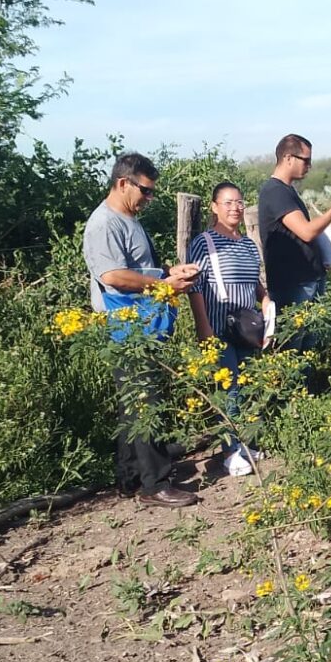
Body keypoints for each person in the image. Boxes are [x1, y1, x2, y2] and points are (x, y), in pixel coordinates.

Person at [83, 152, 202, 508]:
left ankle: (130, 477)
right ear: (123, 183)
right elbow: (113, 276)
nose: (149, 199)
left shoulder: (128, 218)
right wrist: (163, 287)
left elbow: (142, 267)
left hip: (141, 324)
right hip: (127, 328)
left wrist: (171, 272)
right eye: (146, 191)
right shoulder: (104, 224)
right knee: (145, 403)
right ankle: (156, 484)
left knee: (131, 405)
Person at [187, 182, 269, 476]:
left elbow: (256, 283)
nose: (235, 208)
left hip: (247, 328)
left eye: (238, 202)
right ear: (214, 207)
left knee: (247, 387)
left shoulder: (247, 243)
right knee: (229, 390)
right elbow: (195, 288)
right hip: (219, 328)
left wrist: (267, 309)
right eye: (227, 203)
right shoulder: (203, 243)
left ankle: (245, 444)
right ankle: (229, 452)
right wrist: (203, 327)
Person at [258, 134, 331, 309]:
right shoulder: (275, 191)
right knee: (295, 336)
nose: (309, 166)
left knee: (312, 336)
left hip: (306, 280)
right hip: (293, 283)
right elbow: (306, 232)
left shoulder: (286, 190)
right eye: (305, 160)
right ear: (288, 158)